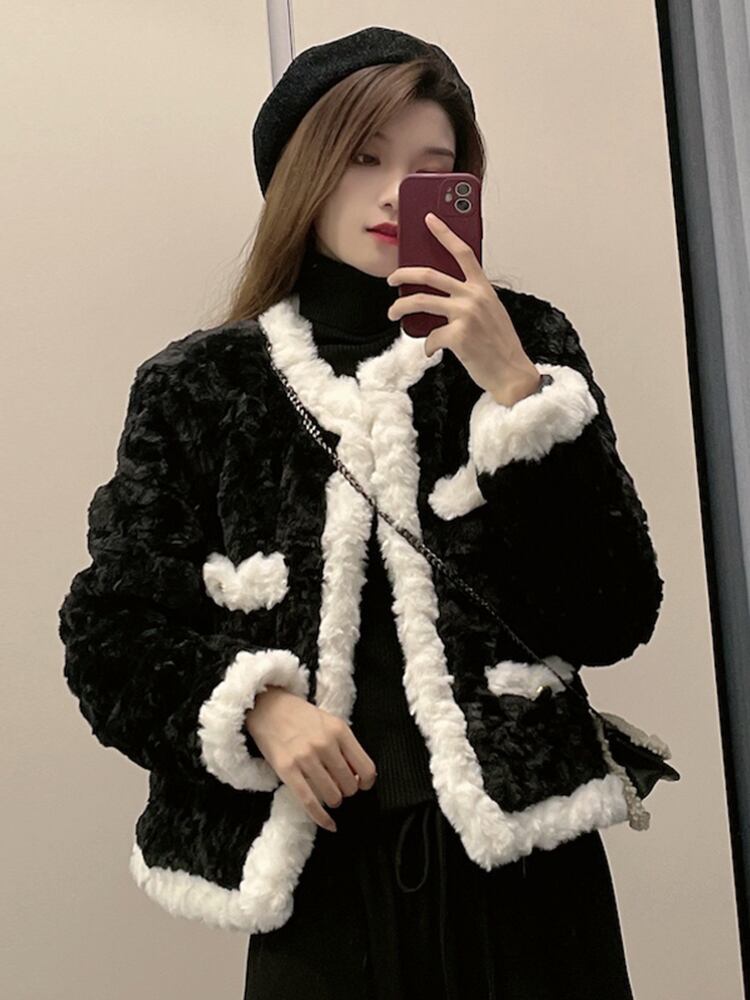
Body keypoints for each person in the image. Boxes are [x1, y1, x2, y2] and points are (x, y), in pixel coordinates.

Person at [58, 25, 665, 1000]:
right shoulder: (200, 387)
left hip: (529, 887)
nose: (395, 195)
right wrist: (256, 707)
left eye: (432, 167)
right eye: (364, 158)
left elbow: (614, 612)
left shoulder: (527, 344)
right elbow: (110, 632)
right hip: (323, 890)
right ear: (303, 173)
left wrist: (516, 390)